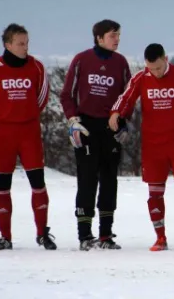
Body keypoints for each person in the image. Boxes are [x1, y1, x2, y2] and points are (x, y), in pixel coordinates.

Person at [109, 43, 174, 251]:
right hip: (153, 146)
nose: (155, 73)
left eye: (158, 68)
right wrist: (116, 112)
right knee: (155, 193)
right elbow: (126, 97)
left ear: (165, 59)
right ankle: (160, 237)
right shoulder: (141, 77)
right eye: (150, 68)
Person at [59, 19, 132, 251]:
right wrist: (72, 120)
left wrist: (122, 121)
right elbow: (66, 96)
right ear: (99, 38)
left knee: (110, 181)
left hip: (110, 128)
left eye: (118, 35)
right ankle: (84, 235)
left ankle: (106, 235)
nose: (117, 39)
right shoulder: (81, 60)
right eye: (112, 35)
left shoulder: (121, 63)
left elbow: (128, 96)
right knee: (87, 181)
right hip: (86, 128)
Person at [0, 23, 56, 250]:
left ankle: (42, 233)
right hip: (3, 133)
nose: (25, 47)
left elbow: (42, 97)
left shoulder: (37, 67)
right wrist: (6, 115)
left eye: (27, 43)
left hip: (29, 132)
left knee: (38, 184)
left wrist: (26, 115)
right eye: (20, 43)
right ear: (8, 44)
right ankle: (5, 236)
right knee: (3, 186)